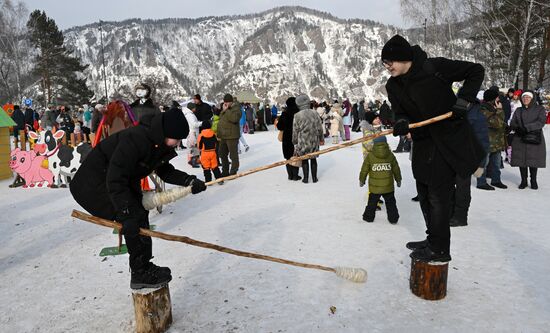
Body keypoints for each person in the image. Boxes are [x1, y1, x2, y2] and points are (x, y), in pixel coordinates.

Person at [69, 108, 206, 289]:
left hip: (115, 181)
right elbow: (115, 178)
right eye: (177, 139)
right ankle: (140, 272)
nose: (178, 143)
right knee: (133, 217)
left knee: (139, 215)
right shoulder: (136, 139)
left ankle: (143, 267)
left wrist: (187, 181)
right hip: (93, 186)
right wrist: (125, 214)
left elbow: (163, 169)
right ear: (167, 132)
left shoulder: (156, 141)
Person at [383, 34, 485, 262]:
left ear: (403, 58)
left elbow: (476, 70)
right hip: (423, 142)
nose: (387, 66)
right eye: (384, 63)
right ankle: (432, 238)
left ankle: (440, 249)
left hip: (449, 139)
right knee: (424, 193)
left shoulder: (433, 67)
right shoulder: (393, 85)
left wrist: (464, 100)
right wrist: (400, 121)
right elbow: (399, 111)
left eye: (390, 61)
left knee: (439, 196)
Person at [359, 136, 402, 224]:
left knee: (372, 203)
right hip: (388, 186)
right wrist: (398, 179)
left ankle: (368, 217)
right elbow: (396, 168)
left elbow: (364, 169)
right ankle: (393, 218)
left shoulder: (370, 156)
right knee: (391, 203)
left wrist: (362, 180)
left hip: (375, 188)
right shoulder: (390, 155)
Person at [510, 91, 546, 189]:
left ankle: (533, 180)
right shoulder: (518, 110)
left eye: (528, 97)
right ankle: (523, 180)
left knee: (533, 159)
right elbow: (513, 121)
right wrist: (517, 128)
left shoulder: (540, 109)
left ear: (532, 98)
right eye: (524, 97)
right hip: (520, 137)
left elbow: (541, 122)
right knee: (521, 160)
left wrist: (526, 128)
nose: (525, 99)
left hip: (534, 137)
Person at [477, 89, 508, 190]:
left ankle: (496, 180)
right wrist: (500, 110)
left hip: (497, 142)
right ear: (492, 99)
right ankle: (481, 182)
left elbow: (501, 122)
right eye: (497, 97)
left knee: (496, 164)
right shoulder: (482, 110)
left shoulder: (493, 108)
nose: (499, 99)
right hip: (486, 142)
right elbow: (496, 123)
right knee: (483, 163)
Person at [292, 94, 324, 183]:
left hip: (303, 140)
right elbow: (319, 127)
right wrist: (321, 138)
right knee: (313, 158)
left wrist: (294, 141)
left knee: (304, 159)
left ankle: (306, 178)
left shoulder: (297, 115)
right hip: (314, 139)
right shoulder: (315, 113)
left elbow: (295, 130)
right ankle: (314, 178)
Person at [276, 97, 301, 181]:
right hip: (296, 136)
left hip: (286, 137)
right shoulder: (298, 112)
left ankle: (290, 175)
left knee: (288, 156)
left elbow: (279, 126)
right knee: (295, 155)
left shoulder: (285, 113)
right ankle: (295, 176)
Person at [217, 94, 241, 176]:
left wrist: (226, 110)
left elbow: (234, 119)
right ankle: (225, 171)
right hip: (223, 135)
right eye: (225, 102)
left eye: (227, 102)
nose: (225, 104)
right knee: (222, 153)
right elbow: (221, 119)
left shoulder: (236, 108)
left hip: (232, 136)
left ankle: (233, 171)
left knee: (233, 155)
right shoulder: (225, 108)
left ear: (231, 102)